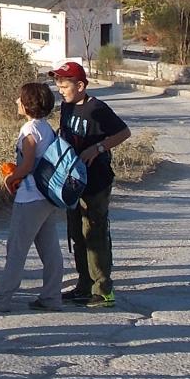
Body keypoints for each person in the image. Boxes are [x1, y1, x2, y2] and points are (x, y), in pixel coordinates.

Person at [0, 81, 64, 313]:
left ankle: (0, 297)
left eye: (20, 98)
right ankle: (52, 296)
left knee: (16, 248)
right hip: (47, 197)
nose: (17, 101)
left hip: (30, 197)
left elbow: (27, 165)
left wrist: (10, 178)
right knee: (50, 248)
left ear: (28, 103)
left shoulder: (29, 131)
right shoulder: (46, 128)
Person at [53, 60, 131, 308]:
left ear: (80, 85)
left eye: (64, 85)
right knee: (76, 234)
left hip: (96, 182)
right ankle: (83, 285)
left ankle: (103, 289)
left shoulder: (97, 108)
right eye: (58, 85)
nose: (60, 90)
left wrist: (98, 148)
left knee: (94, 233)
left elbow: (123, 132)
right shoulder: (65, 108)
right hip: (72, 183)